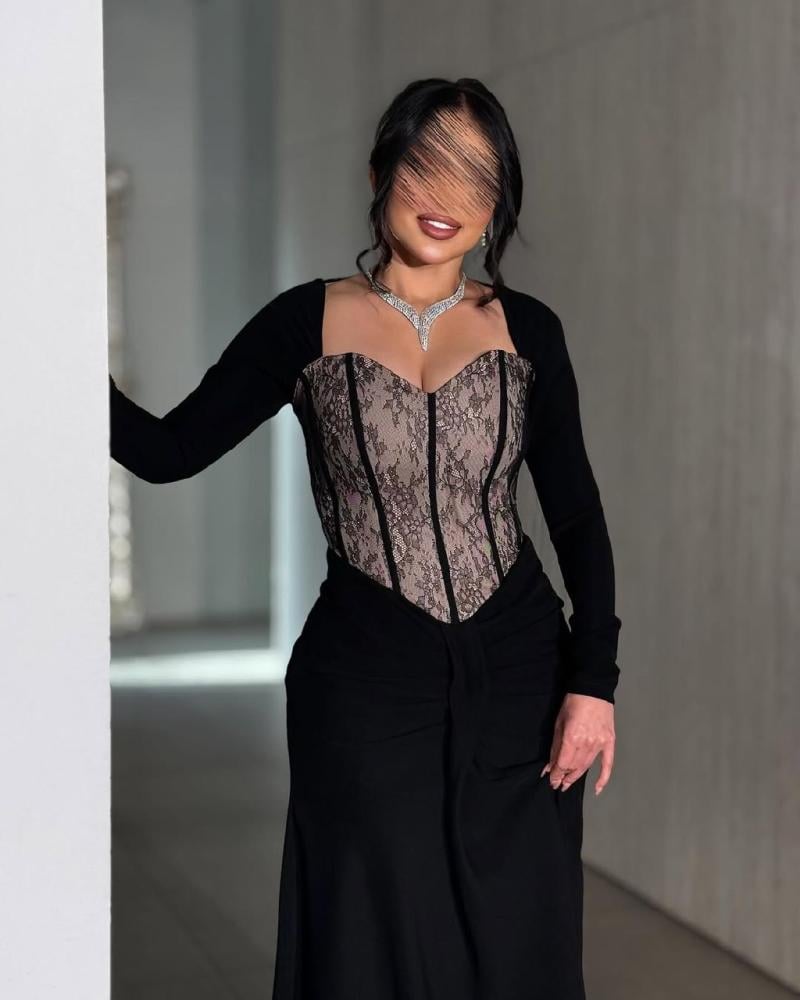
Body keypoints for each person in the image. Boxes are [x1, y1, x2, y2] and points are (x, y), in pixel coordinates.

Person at [110, 76, 622, 1000]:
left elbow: (577, 516)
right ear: (381, 170)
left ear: (499, 200)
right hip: (366, 680)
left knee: (522, 934)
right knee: (372, 934)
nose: (447, 195)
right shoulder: (303, 322)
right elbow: (168, 450)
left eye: (476, 175)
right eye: (427, 164)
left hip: (520, 670)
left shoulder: (530, 333)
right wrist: (49, 355)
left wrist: (593, 682)